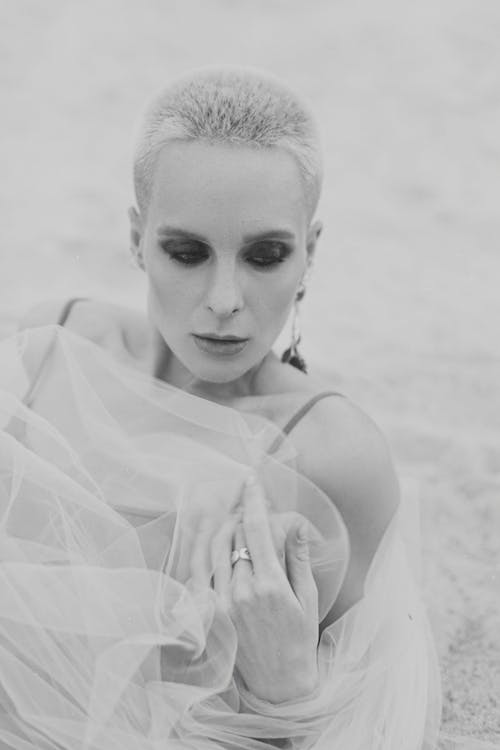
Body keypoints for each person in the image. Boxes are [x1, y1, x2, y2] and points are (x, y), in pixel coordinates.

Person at [0, 66, 494, 750]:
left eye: (264, 255)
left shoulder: (331, 456)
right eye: (186, 252)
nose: (226, 298)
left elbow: (364, 724)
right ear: (135, 239)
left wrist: (285, 682)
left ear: (309, 254)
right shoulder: (49, 349)